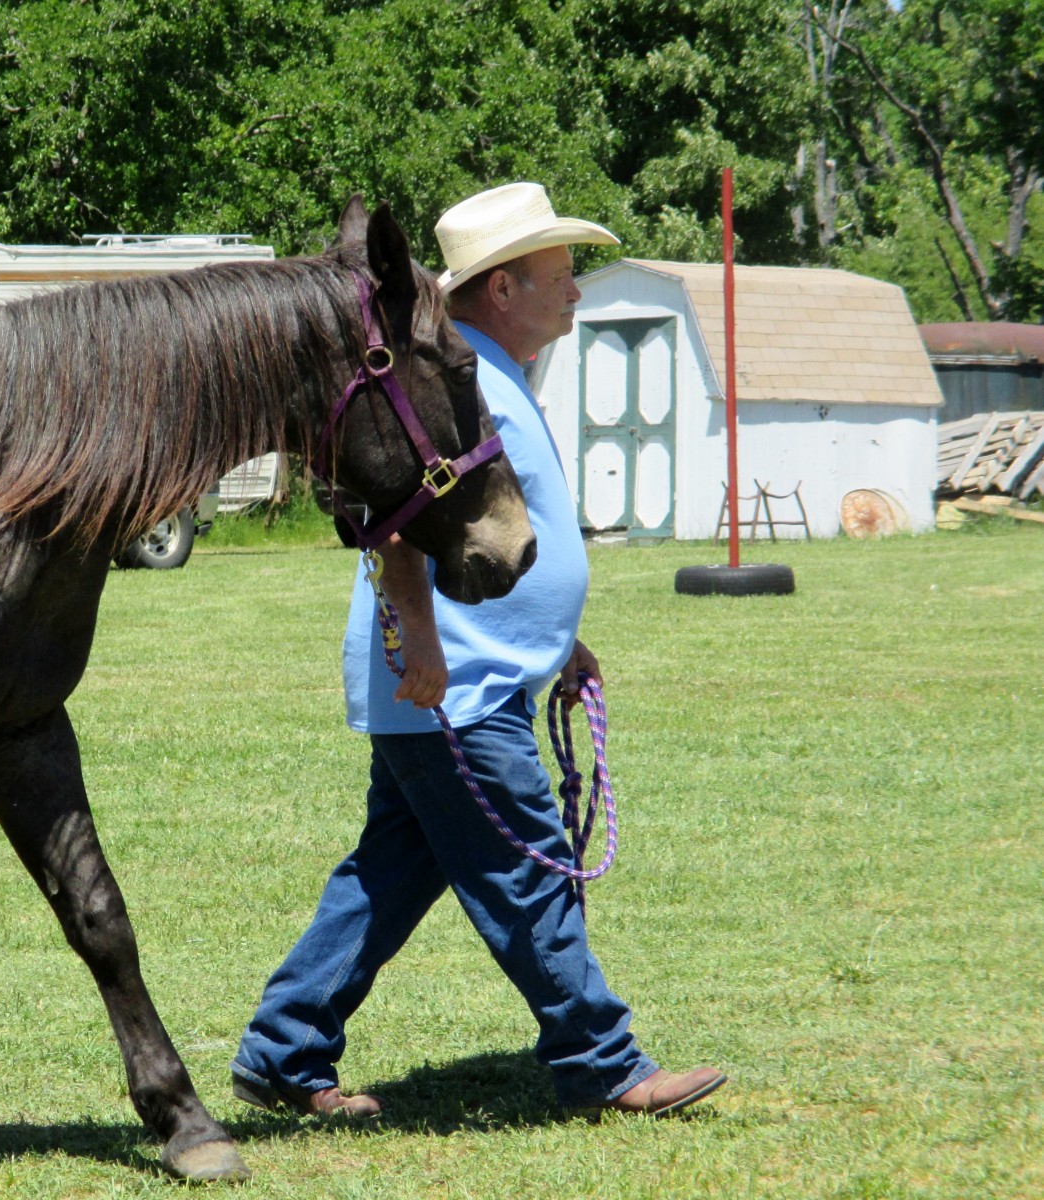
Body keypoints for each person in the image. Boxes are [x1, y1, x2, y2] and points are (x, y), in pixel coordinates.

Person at [230, 182, 726, 1119]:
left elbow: (491, 529)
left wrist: (559, 641)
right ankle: (604, 1063)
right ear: (501, 288)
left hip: (466, 678)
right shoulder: (461, 381)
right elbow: (393, 517)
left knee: (388, 876)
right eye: (559, 275)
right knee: (528, 871)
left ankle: (283, 1051)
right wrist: (422, 639)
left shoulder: (492, 373)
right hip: (452, 684)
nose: (575, 291)